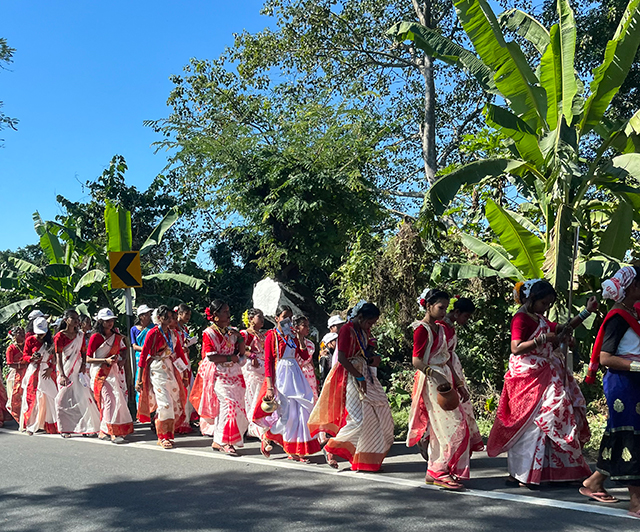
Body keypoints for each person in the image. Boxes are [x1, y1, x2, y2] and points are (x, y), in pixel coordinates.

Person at [487, 279, 597, 486]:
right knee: (531, 425)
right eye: (543, 303)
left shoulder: (539, 318)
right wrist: (543, 339)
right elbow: (516, 347)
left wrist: (586, 312)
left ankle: (554, 472)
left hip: (547, 372)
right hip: (528, 376)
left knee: (555, 416)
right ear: (532, 299)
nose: (546, 308)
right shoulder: (520, 319)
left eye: (548, 305)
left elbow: (562, 329)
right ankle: (523, 473)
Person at [580, 266, 640, 513]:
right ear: (633, 287)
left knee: (619, 432)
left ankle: (594, 482)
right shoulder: (618, 317)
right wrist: (637, 366)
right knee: (631, 435)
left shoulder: (630, 313)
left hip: (632, 381)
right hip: (622, 382)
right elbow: (605, 357)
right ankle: (636, 500)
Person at [309, 301, 394, 472]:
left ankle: (366, 459)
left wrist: (372, 359)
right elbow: (342, 358)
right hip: (350, 376)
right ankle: (330, 446)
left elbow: (364, 352)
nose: (371, 326)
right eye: (369, 322)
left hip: (365, 372)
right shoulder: (347, 330)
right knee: (358, 419)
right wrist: (359, 376)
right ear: (360, 317)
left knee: (378, 414)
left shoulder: (363, 330)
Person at [407, 289, 478, 490]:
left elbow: (446, 357)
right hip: (431, 381)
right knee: (453, 426)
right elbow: (417, 361)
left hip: (444, 377)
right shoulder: (422, 329)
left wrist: (459, 384)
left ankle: (435, 469)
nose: (444, 311)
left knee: (443, 428)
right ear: (428, 305)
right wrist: (437, 376)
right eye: (441, 307)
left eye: (446, 307)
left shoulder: (439, 328)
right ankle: (440, 470)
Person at [253, 305, 321, 462]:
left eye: (289, 317)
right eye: (284, 317)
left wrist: (300, 339)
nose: (287, 320)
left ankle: (296, 449)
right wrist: (270, 386)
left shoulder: (292, 335)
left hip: (295, 374)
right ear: (276, 318)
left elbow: (303, 356)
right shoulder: (272, 335)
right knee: (287, 414)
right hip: (281, 375)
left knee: (301, 410)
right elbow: (269, 361)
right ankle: (269, 436)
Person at [190, 300, 248, 455]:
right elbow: (211, 357)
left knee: (238, 406)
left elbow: (241, 354)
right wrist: (230, 359)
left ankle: (218, 440)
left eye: (229, 311)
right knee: (228, 405)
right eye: (225, 312)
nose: (229, 315)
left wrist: (240, 338)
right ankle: (226, 442)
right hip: (217, 374)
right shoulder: (208, 333)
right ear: (215, 315)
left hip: (234, 374)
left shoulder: (233, 331)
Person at [136, 305, 190, 449]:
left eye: (172, 317)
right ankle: (162, 436)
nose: (171, 319)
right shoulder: (152, 333)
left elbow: (179, 354)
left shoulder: (174, 334)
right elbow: (143, 355)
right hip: (157, 369)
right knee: (164, 403)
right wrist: (139, 379)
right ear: (159, 318)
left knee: (173, 402)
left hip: (171, 369)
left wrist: (185, 373)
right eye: (168, 317)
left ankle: (169, 434)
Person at [436, 297, 484, 456]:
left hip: (453, 368)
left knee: (461, 406)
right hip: (445, 369)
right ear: (456, 312)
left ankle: (459, 450)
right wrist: (457, 380)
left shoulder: (450, 326)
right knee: (451, 408)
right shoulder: (441, 327)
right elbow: (443, 355)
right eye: (466, 316)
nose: (466, 320)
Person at [86, 308, 134, 442]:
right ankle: (108, 430)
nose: (110, 323)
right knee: (107, 400)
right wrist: (105, 360)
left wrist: (122, 360)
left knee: (116, 399)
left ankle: (109, 429)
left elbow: (124, 349)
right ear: (101, 322)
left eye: (111, 320)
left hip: (113, 371)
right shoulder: (96, 337)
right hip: (99, 372)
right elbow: (88, 359)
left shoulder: (116, 336)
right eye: (107, 321)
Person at [54, 309, 101, 437]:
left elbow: (83, 351)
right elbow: (58, 356)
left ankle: (87, 427)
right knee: (62, 399)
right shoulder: (60, 336)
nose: (76, 321)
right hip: (66, 369)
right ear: (66, 320)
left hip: (78, 369)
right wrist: (62, 374)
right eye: (73, 318)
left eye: (77, 318)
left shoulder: (80, 335)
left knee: (83, 398)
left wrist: (84, 365)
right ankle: (63, 428)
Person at [20, 317, 58, 434]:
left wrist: (50, 368)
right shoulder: (30, 340)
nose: (41, 336)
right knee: (33, 398)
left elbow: (55, 358)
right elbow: (25, 356)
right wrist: (31, 358)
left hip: (46, 371)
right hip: (34, 370)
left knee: (50, 397)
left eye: (43, 333)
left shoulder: (50, 341)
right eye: (39, 333)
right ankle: (31, 424)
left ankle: (48, 424)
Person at [241, 308, 267, 439]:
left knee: (260, 396)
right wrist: (252, 356)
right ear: (251, 319)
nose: (262, 320)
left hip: (263, 367)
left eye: (262, 317)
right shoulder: (245, 334)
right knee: (250, 396)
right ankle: (249, 426)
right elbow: (240, 349)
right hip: (251, 367)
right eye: (259, 317)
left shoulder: (262, 335)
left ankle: (258, 426)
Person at [131, 304, 154, 402]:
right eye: (146, 314)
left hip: (151, 356)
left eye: (149, 314)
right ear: (141, 316)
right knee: (140, 379)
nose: (148, 316)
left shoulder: (154, 328)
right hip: (140, 357)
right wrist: (145, 349)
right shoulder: (134, 329)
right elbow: (134, 346)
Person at [293, 314, 319, 400]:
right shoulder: (292, 343)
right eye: (304, 325)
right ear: (296, 327)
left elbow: (310, 360)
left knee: (312, 397)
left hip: (309, 372)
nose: (307, 328)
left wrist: (315, 376)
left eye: (308, 326)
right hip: (298, 372)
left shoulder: (310, 344)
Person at [5, 326, 27, 423]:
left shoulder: (26, 345)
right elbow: (10, 363)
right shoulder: (11, 348)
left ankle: (27, 418)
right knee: (16, 398)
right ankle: (20, 420)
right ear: (14, 336)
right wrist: (22, 365)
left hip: (27, 373)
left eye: (23, 332)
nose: (22, 334)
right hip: (16, 376)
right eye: (19, 333)